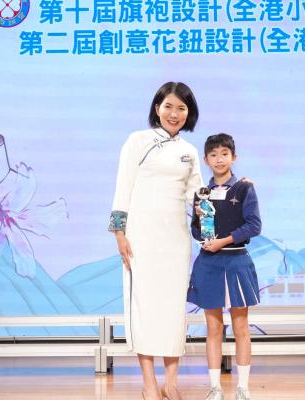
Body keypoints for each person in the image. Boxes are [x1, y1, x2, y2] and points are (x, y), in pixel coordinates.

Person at [108, 82, 204, 400]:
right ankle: (149, 383)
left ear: (189, 113)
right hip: (141, 238)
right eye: (168, 106)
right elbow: (123, 186)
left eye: (181, 108)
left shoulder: (190, 152)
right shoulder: (138, 141)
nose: (174, 114)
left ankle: (170, 383)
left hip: (176, 239)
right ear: (157, 108)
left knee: (174, 309)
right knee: (145, 307)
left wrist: (230, 188)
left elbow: (198, 199)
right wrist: (119, 233)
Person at [187, 133, 262, 400]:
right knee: (213, 328)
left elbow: (254, 226)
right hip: (209, 263)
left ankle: (243, 388)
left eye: (224, 154)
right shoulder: (201, 193)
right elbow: (196, 230)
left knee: (241, 328)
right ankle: (215, 388)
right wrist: (202, 230)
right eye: (213, 155)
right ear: (206, 160)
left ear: (234, 157)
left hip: (237, 260)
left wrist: (224, 241)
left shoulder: (244, 188)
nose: (219, 159)